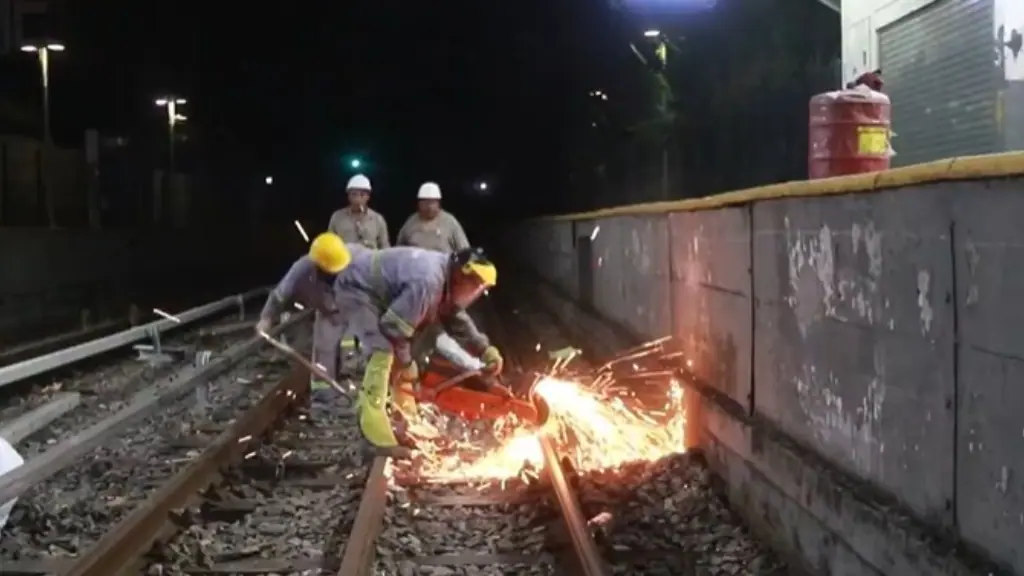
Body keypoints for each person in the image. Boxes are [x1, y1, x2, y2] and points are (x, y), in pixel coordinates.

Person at [337, 245, 504, 450]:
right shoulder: (428, 282)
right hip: (355, 287)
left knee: (404, 357)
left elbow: (454, 313)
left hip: (374, 287)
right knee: (383, 349)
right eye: (478, 286)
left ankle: (405, 419)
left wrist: (483, 348)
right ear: (462, 276)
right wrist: (407, 364)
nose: (478, 292)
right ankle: (373, 428)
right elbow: (393, 328)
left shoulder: (447, 277)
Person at [256, 232, 356, 392]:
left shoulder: (355, 260)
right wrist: (266, 317)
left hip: (352, 309)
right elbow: (280, 295)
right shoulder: (302, 268)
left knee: (354, 350)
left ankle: (352, 383)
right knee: (324, 355)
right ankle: (323, 397)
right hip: (327, 313)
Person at [395, 181, 471, 253]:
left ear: (439, 203)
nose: (430, 207)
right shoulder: (410, 223)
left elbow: (464, 250)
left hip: (443, 265)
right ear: (419, 203)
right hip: (416, 264)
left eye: (433, 202)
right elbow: (399, 250)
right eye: (426, 202)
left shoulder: (450, 222)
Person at [328, 174, 390, 250]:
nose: (357, 199)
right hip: (345, 260)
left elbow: (385, 247)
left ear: (368, 197)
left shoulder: (377, 219)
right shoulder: (337, 217)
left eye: (362, 195)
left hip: (370, 260)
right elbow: (329, 244)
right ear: (348, 196)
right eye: (354, 194)